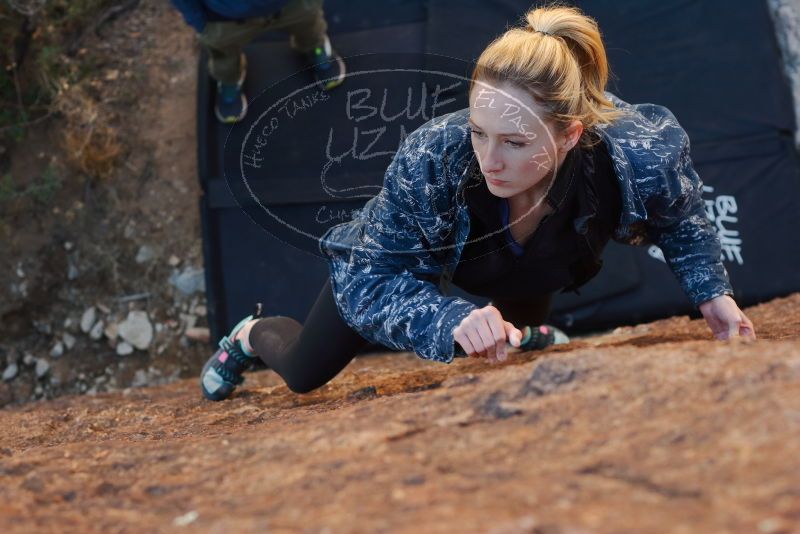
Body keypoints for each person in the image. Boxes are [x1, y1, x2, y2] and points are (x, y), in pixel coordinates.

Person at [199, 5, 756, 401]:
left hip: (534, 267)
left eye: (514, 143)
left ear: (569, 135)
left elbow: (680, 218)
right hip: (416, 265)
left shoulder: (636, 153)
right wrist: (451, 318)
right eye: (479, 131)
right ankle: (249, 335)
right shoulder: (433, 158)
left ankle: (526, 329)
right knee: (303, 374)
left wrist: (712, 294)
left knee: (515, 338)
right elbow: (372, 279)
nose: (490, 159)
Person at [171, 0, 346, 123]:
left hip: (293, 6)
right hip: (223, 19)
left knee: (309, 27)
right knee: (223, 54)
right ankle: (230, 77)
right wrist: (197, 19)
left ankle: (314, 47)